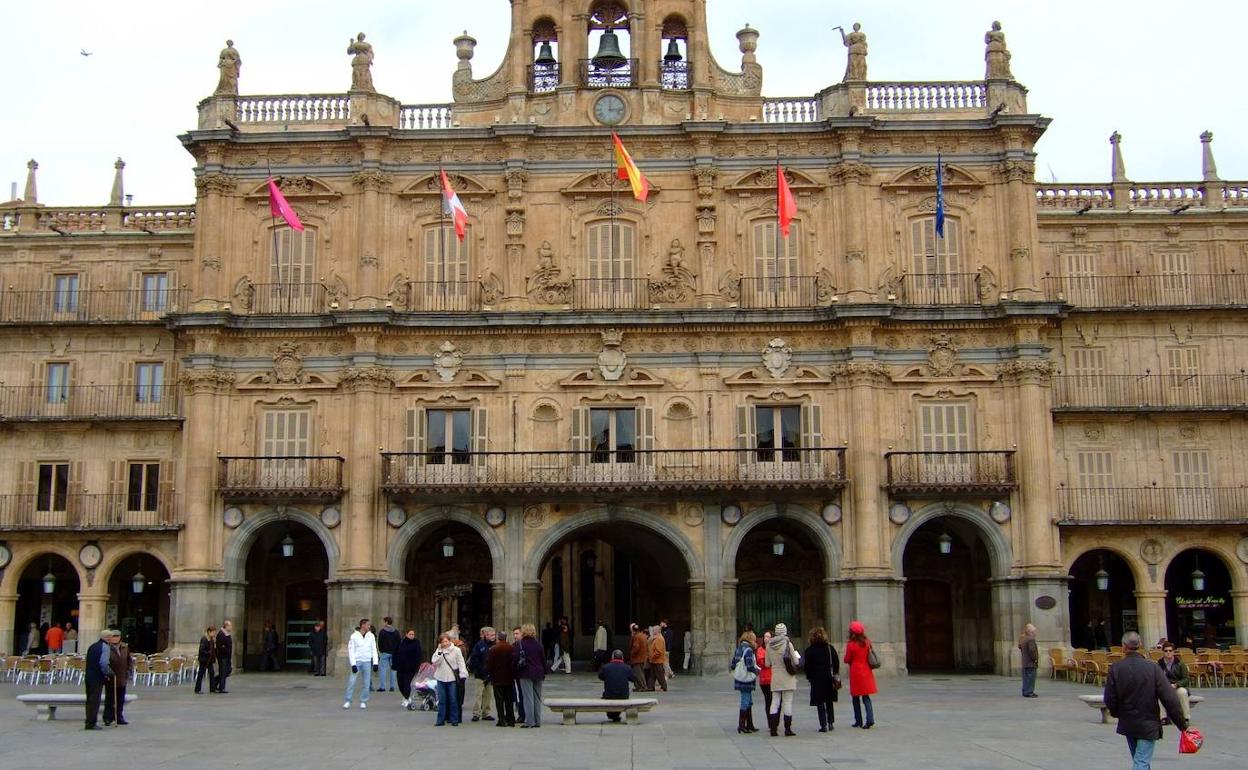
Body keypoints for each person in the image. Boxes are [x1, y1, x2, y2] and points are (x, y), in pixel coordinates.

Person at [1104, 631, 1188, 769]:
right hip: (1148, 722)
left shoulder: (1116, 668)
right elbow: (1169, 697)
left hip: (1128, 721)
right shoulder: (1152, 668)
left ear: (1123, 647)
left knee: (1139, 759)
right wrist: (1182, 724)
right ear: (1140, 645)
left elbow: (1110, 697)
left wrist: (1116, 713)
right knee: (1141, 761)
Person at [766, 623, 801, 737]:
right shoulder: (787, 643)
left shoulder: (769, 645)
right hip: (787, 676)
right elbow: (795, 661)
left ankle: (773, 729)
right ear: (785, 632)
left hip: (775, 675)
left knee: (775, 702)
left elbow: (767, 663)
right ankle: (787, 729)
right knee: (787, 702)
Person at [804, 627, 840, 733]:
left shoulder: (809, 651)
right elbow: (836, 663)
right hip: (829, 677)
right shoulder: (830, 648)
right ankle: (830, 722)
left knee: (820, 702)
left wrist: (809, 677)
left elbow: (807, 667)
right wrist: (835, 674)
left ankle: (823, 724)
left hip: (816, 679)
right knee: (829, 701)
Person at [844, 620, 877, 729]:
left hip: (856, 672)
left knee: (855, 698)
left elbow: (847, 659)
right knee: (866, 697)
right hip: (866, 671)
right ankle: (870, 719)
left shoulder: (851, 645)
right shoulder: (867, 642)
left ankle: (858, 720)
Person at [432, 632, 467, 726]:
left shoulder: (456, 650)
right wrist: (439, 652)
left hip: (452, 678)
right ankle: (440, 720)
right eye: (443, 642)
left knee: (453, 699)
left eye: (446, 641)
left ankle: (454, 719)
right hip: (441, 677)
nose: (445, 644)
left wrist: (463, 674)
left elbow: (461, 662)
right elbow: (434, 662)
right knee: (442, 700)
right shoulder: (439, 650)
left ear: (449, 641)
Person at [514, 623, 546, 728]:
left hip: (526, 672)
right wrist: (544, 671)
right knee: (537, 697)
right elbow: (543, 660)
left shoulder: (520, 644)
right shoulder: (538, 644)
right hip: (538, 673)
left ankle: (529, 721)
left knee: (528, 698)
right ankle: (537, 721)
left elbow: (516, 658)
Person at [343, 618, 379, 710]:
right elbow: (351, 650)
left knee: (366, 683)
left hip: (367, 661)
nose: (369, 626)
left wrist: (375, 662)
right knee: (352, 681)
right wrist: (353, 664)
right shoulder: (354, 636)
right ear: (363, 625)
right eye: (368, 625)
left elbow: (374, 649)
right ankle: (348, 700)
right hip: (357, 660)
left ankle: (363, 701)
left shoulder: (371, 636)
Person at [730, 631, 760, 734]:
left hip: (739, 678)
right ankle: (742, 725)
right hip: (746, 680)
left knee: (749, 701)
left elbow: (733, 664)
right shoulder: (748, 650)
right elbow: (749, 665)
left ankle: (749, 725)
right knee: (745, 701)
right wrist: (756, 671)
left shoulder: (738, 648)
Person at [485, 627, 516, 726]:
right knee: (509, 700)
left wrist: (489, 672)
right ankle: (511, 720)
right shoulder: (511, 648)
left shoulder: (493, 649)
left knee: (499, 701)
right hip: (509, 678)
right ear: (506, 638)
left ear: (498, 638)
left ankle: (501, 720)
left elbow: (489, 665)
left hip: (497, 679)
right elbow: (514, 663)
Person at [83, 630, 112, 730]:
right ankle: (91, 722)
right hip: (97, 677)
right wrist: (108, 672)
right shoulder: (105, 647)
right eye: (110, 637)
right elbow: (103, 663)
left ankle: (88, 720)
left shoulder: (92, 646)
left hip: (89, 676)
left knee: (89, 699)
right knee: (95, 700)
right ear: (107, 637)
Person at [1158, 642, 1192, 725]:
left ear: (1173, 652)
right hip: (1165, 687)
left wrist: (1176, 685)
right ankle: (1164, 718)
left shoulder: (1180, 663)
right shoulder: (1159, 664)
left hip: (1177, 686)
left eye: (1170, 650)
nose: (1168, 652)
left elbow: (1186, 679)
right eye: (1166, 651)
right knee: (1158, 693)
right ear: (1163, 652)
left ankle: (1185, 718)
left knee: (1182, 692)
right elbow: (1157, 678)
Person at [467, 626, 496, 722]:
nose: (493, 637)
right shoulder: (479, 645)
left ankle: (486, 713)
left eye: (494, 635)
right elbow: (475, 659)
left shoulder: (495, 645)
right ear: (486, 635)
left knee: (488, 695)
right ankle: (476, 713)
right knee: (478, 694)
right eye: (491, 635)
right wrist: (481, 671)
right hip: (480, 674)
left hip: (490, 674)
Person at [103, 630, 132, 726]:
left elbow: (129, 660)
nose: (115, 638)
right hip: (111, 677)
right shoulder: (107, 647)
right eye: (113, 636)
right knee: (110, 699)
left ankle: (119, 716)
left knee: (120, 699)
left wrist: (128, 670)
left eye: (117, 636)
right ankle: (108, 717)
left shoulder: (125, 647)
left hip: (122, 677)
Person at [599, 649, 633, 723]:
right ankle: (615, 715)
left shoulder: (606, 667)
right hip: (623, 695)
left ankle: (612, 715)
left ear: (612, 657)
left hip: (609, 695)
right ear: (622, 658)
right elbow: (632, 678)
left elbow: (601, 677)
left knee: (608, 695)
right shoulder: (627, 668)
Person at [394, 629, 424, 710]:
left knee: (406, 683)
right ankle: (405, 696)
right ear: (406, 634)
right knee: (400, 683)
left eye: (413, 634)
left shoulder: (416, 643)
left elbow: (419, 654)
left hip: (411, 668)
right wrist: (395, 664)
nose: (412, 636)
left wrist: (417, 665)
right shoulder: (401, 642)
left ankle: (407, 698)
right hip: (401, 667)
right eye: (410, 634)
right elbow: (396, 653)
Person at [376, 617, 400, 691]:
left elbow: (379, 642)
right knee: (393, 670)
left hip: (385, 652)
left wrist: (381, 650)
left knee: (383, 669)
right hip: (394, 652)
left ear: (386, 622)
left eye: (384, 622)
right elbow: (399, 642)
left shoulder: (382, 632)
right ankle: (392, 686)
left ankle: (382, 686)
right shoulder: (396, 632)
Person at [1018, 623, 1039, 698]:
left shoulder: (1024, 639)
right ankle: (1029, 692)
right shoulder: (1030, 639)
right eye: (1034, 632)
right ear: (1030, 632)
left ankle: (1025, 691)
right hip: (1030, 662)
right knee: (1031, 678)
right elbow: (1032, 651)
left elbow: (1019, 646)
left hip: (1024, 662)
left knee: (1026, 678)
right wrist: (1035, 659)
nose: (1035, 633)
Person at [510, 627, 526, 724]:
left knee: (523, 695)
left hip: (523, 674)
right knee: (519, 696)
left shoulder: (523, 646)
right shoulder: (513, 646)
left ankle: (524, 714)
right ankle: (521, 714)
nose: (515, 636)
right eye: (514, 634)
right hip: (516, 675)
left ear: (522, 634)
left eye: (517, 633)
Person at [195, 626, 218, 694]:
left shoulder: (211, 640)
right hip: (204, 659)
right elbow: (201, 650)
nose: (214, 634)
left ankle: (212, 689)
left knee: (211, 673)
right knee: (201, 674)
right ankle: (197, 689)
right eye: (213, 632)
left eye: (214, 633)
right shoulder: (204, 639)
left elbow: (213, 649)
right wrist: (208, 652)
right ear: (209, 632)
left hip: (209, 660)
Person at [646, 625, 669, 692]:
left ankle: (664, 687)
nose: (653, 631)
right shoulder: (657, 638)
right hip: (654, 661)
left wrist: (652, 657)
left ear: (658, 630)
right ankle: (650, 687)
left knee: (660, 675)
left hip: (657, 661)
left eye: (654, 630)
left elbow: (658, 651)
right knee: (652, 675)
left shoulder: (659, 639)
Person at [756, 630, 774, 717]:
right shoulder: (760, 650)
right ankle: (770, 721)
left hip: (774, 678)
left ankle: (774, 720)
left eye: (768, 637)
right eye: (765, 637)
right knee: (768, 700)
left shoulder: (775, 649)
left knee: (775, 701)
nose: (766, 639)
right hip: (765, 679)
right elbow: (762, 663)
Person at [215, 619, 234, 693]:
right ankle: (221, 687)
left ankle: (215, 682)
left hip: (227, 656)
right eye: (230, 626)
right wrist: (226, 650)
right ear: (226, 626)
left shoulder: (227, 634)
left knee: (228, 670)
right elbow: (220, 646)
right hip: (222, 656)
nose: (231, 627)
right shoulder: (221, 634)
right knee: (223, 671)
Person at [628, 623, 649, 691]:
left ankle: (643, 686)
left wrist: (632, 654)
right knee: (639, 673)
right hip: (642, 657)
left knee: (638, 674)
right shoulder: (642, 635)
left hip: (637, 658)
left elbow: (636, 647)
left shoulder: (636, 636)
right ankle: (638, 686)